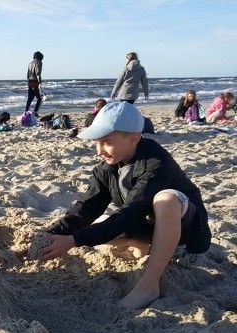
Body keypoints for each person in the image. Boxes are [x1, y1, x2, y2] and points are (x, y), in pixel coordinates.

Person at [38, 102, 211, 310]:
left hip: (186, 241)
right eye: (96, 143)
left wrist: (74, 240)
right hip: (146, 226)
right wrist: (51, 234)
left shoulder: (156, 163)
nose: (99, 150)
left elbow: (130, 212)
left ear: (134, 138)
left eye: (106, 142)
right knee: (100, 222)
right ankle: (143, 246)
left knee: (165, 200)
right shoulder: (108, 167)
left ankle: (149, 286)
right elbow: (87, 208)